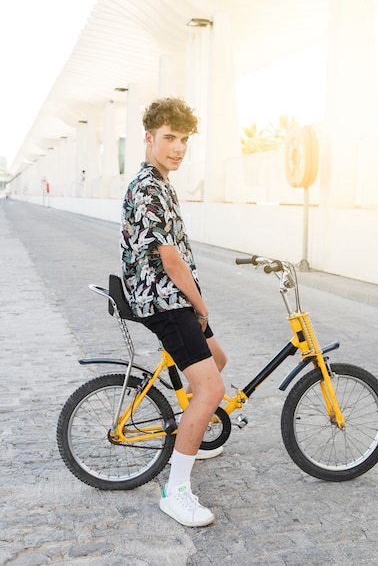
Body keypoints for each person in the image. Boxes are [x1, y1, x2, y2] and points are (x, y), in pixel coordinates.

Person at [120, 97, 227, 527]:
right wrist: (201, 307)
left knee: (217, 360)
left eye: (183, 140)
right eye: (169, 138)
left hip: (173, 296)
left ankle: (192, 435)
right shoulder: (147, 187)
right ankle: (176, 490)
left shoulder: (162, 181)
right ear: (149, 138)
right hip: (164, 300)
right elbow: (170, 260)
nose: (178, 148)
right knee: (212, 390)